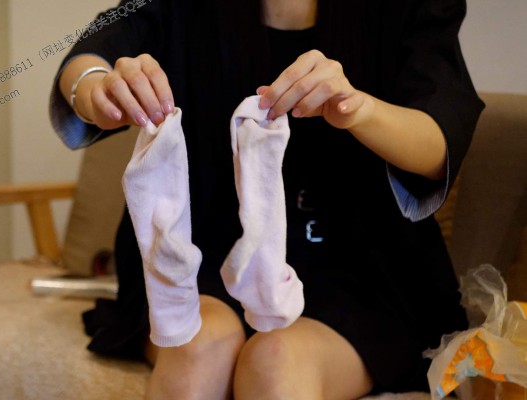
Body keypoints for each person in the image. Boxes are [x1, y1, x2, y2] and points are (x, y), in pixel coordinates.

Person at [49, 0, 484, 398]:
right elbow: (92, 55)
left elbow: (439, 145)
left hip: (363, 270)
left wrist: (359, 109)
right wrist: (97, 89)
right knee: (196, 348)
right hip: (203, 257)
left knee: (274, 364)